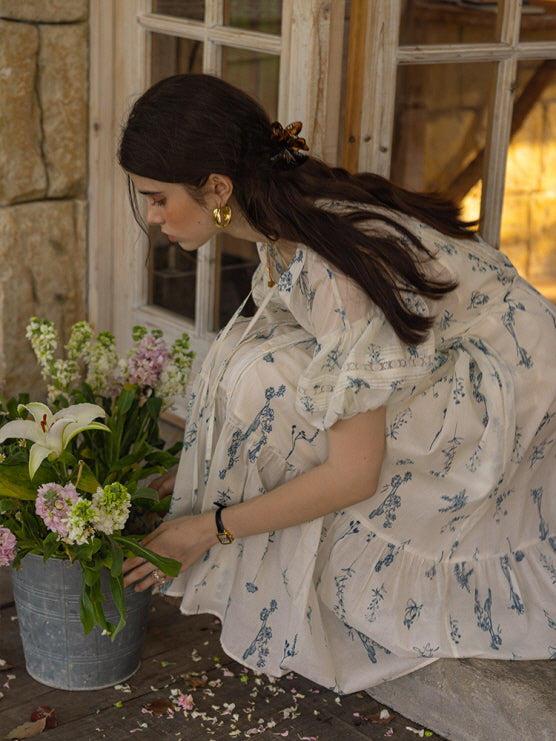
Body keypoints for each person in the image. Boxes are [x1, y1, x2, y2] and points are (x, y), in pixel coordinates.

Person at [120, 73, 556, 694]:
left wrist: (207, 526)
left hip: (515, 398)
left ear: (217, 186)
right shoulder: (283, 229)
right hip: (463, 356)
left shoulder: (334, 271)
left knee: (269, 382)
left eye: (159, 197)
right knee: (256, 362)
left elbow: (356, 474)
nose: (154, 216)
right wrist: (202, 467)